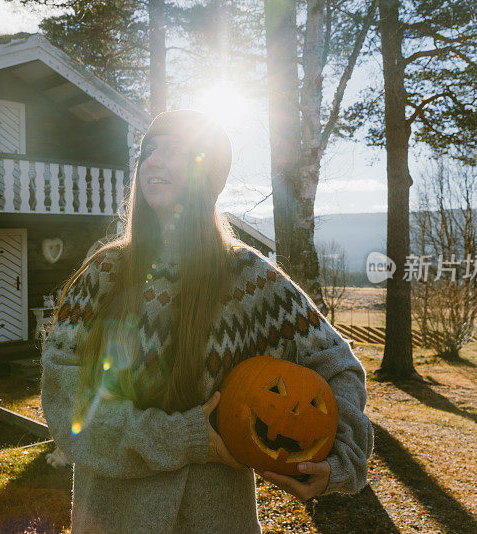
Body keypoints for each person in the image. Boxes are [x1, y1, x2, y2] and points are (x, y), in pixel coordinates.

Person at [40, 109, 374, 533]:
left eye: (173, 151)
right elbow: (66, 407)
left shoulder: (251, 282)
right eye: (149, 151)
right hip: (110, 520)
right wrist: (184, 437)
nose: (153, 161)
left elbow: (337, 366)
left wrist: (338, 455)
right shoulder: (102, 276)